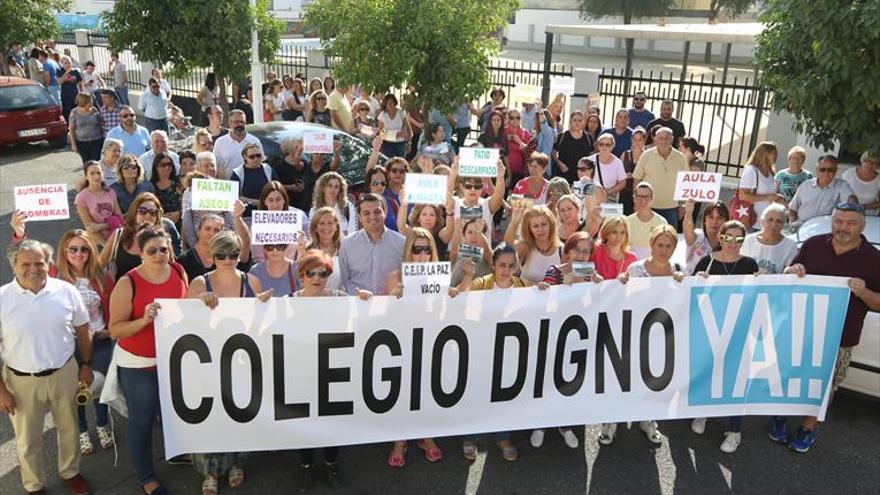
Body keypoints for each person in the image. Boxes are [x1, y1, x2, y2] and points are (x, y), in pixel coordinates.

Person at [774, 202, 880, 453]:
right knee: (790, 376)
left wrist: (863, 292)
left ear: (862, 225)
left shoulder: (874, 260)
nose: (843, 227)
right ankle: (779, 416)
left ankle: (807, 428)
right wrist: (793, 270)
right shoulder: (813, 245)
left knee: (826, 385)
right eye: (838, 221)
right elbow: (788, 275)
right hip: (802, 329)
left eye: (851, 223)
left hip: (841, 337)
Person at [0, 240, 94, 495]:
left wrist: (86, 364)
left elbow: (83, 330)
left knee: (69, 428)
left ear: (49, 264)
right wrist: (1, 391)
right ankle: (33, 485)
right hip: (21, 381)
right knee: (28, 440)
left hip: (64, 373)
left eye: (39, 263)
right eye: (26, 264)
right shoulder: (2, 298)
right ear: (14, 266)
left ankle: (70, 472)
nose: (34, 269)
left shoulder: (66, 291)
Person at [187, 231, 270, 495]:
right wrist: (198, 303)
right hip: (208, 363)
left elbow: (262, 324)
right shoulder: (200, 283)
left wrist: (265, 306)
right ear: (211, 256)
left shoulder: (252, 281)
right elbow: (183, 325)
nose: (227, 259)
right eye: (221, 254)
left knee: (239, 415)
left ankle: (236, 461)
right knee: (210, 418)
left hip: (242, 362)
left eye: (233, 254)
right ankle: (209, 471)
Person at [107, 226, 187, 495]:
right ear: (140, 253)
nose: (159, 254)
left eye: (163, 249)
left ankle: (175, 452)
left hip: (172, 361)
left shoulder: (177, 271)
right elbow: (116, 329)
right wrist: (143, 319)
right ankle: (146, 477)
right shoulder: (127, 282)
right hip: (139, 365)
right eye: (151, 250)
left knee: (174, 413)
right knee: (141, 422)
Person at [458, 244, 548, 462]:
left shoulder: (525, 286)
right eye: (501, 265)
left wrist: (546, 291)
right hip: (482, 349)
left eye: (511, 265)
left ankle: (503, 437)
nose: (506, 270)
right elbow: (460, 300)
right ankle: (472, 436)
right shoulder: (481, 284)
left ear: (517, 266)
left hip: (510, 352)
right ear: (493, 265)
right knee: (478, 393)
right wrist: (467, 277)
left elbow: (543, 307)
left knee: (505, 395)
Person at [292, 250, 370, 490]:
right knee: (303, 422)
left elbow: (363, 320)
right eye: (310, 273)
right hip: (302, 371)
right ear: (301, 275)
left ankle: (331, 463)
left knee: (330, 422)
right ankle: (306, 467)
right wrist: (261, 305)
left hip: (332, 371)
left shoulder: (340, 297)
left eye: (322, 273)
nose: (316, 278)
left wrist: (367, 300)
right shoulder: (288, 300)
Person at [601, 225, 685, 447]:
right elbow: (623, 297)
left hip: (661, 336)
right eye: (660, 245)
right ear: (651, 245)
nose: (664, 250)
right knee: (623, 377)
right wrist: (620, 283)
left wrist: (687, 281)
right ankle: (611, 420)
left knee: (653, 379)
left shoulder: (679, 270)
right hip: (633, 332)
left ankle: (647, 418)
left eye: (669, 246)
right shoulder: (636, 268)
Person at [530, 231, 603, 449]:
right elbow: (546, 306)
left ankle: (566, 425)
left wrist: (597, 286)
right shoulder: (554, 271)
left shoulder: (592, 275)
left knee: (570, 381)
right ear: (567, 251)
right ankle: (541, 423)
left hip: (579, 335)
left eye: (585, 251)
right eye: (576, 250)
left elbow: (599, 305)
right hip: (554, 336)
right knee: (547, 380)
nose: (580, 255)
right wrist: (557, 288)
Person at [691, 220, 759, 453]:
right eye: (728, 237)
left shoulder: (750, 264)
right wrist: (695, 280)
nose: (733, 243)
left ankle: (735, 430)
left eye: (739, 239)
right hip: (710, 329)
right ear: (720, 237)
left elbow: (757, 297)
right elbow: (690, 295)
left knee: (735, 381)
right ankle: (703, 414)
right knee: (708, 374)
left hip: (738, 332)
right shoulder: (706, 262)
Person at [384, 228, 446, 467]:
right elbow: (384, 316)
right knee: (402, 392)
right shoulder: (396, 275)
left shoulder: (440, 275)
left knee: (426, 391)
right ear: (409, 250)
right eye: (417, 249)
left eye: (426, 249)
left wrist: (451, 295)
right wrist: (394, 295)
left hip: (430, 340)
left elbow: (444, 312)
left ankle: (426, 435)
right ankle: (400, 440)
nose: (422, 254)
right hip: (402, 342)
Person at [51, 231, 116, 455]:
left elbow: (112, 307)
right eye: (73, 249)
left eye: (84, 249)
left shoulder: (102, 277)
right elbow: (23, 261)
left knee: (97, 386)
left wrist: (111, 329)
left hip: (98, 340)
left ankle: (101, 424)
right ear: (64, 252)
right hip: (68, 344)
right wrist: (19, 234)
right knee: (75, 390)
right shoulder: (54, 277)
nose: (79, 254)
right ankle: (82, 431)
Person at [338, 193, 406, 295]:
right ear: (359, 217)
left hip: (390, 306)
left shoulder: (402, 243)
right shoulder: (347, 244)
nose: (372, 216)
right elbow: (342, 281)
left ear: (385, 213)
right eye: (366, 213)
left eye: (377, 212)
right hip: (357, 305)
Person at [632, 127, 688, 227]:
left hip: (672, 208)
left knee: (668, 240)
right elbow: (637, 179)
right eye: (661, 138)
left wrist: (682, 204)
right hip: (648, 206)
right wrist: (637, 202)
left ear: (672, 139)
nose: (664, 141)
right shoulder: (646, 155)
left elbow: (685, 183)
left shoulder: (681, 157)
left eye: (667, 138)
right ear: (655, 139)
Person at [177, 209, 250, 282]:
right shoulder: (184, 259)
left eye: (216, 230)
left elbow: (245, 248)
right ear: (198, 231)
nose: (212, 233)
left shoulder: (229, 256)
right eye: (207, 229)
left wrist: (237, 218)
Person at [504, 204, 563, 284]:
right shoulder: (525, 247)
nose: (540, 230)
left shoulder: (562, 250)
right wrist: (514, 223)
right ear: (529, 229)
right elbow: (506, 252)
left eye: (544, 224)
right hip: (526, 295)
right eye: (535, 226)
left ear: (551, 225)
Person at [250, 181, 307, 263]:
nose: (275, 205)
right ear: (265, 202)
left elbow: (307, 252)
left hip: (293, 269)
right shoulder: (258, 225)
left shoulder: (300, 217)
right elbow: (258, 258)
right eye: (271, 200)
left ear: (284, 200)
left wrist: (302, 245)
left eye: (278, 199)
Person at [789, 155, 858, 223]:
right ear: (817, 170)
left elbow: (852, 200)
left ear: (836, 171)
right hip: (801, 227)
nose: (826, 172)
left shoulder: (842, 186)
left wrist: (853, 207)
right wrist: (793, 222)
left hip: (824, 230)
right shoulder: (805, 186)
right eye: (822, 169)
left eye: (830, 170)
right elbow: (792, 209)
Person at [447, 158, 506, 236]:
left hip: (483, 247)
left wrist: (500, 177)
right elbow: (447, 195)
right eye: (468, 186)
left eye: (477, 186)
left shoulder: (487, 204)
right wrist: (453, 175)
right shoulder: (455, 203)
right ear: (461, 187)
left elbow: (499, 196)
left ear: (482, 188)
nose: (473, 189)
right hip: (457, 248)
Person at [734, 141, 783, 230]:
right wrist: (766, 197)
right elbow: (742, 195)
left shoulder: (770, 172)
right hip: (752, 221)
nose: (777, 157)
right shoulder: (751, 171)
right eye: (774, 154)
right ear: (764, 154)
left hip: (766, 223)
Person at [738, 203, 797, 274]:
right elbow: (741, 267)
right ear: (762, 221)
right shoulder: (749, 240)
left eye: (779, 221)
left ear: (783, 224)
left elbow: (788, 272)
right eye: (770, 220)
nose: (774, 224)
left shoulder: (790, 245)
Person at [74, 160, 123, 245]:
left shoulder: (110, 192)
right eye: (92, 173)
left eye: (99, 173)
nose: (96, 176)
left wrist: (100, 226)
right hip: (98, 242)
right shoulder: (81, 198)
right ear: (86, 176)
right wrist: (105, 246)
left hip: (116, 237)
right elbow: (90, 228)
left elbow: (119, 217)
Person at [213, 109, 264, 180]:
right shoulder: (220, 142)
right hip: (229, 186)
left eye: (242, 122)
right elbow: (215, 166)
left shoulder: (254, 141)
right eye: (236, 122)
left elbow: (261, 163)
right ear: (230, 123)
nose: (240, 124)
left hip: (250, 184)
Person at [230, 143, 278, 217]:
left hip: (268, 213)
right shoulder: (237, 173)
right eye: (252, 157)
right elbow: (234, 197)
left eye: (258, 156)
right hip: (247, 215)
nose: (256, 159)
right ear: (245, 157)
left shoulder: (268, 169)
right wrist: (255, 202)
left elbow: (278, 189)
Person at [683, 200, 729, 275]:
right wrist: (689, 212)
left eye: (719, 218)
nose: (714, 221)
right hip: (691, 283)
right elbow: (687, 227)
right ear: (704, 220)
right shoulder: (697, 237)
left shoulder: (731, 242)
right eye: (711, 217)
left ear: (726, 221)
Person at [624, 182, 668, 259]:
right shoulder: (627, 221)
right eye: (639, 197)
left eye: (646, 197)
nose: (643, 201)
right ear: (634, 198)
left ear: (652, 198)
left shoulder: (661, 222)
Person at [305, 206, 344, 291]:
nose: (326, 227)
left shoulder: (345, 250)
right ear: (315, 227)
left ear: (336, 226)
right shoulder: (307, 250)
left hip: (340, 301)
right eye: (321, 223)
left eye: (330, 223)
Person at [311, 171, 357, 236]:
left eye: (336, 187)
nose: (333, 189)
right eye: (329, 186)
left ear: (340, 190)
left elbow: (353, 233)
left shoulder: (348, 207)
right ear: (323, 188)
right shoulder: (315, 210)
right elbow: (312, 234)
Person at [553, 110, 592, 183]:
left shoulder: (588, 137)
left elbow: (591, 155)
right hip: (564, 175)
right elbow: (553, 152)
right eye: (575, 120)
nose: (577, 123)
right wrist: (559, 163)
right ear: (570, 122)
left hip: (582, 176)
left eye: (580, 120)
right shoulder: (562, 136)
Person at [590, 134, 627, 202]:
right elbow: (584, 179)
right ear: (598, 145)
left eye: (607, 145)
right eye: (601, 144)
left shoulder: (617, 162)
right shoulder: (590, 160)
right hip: (592, 198)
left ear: (613, 146)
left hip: (609, 199)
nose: (604, 147)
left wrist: (608, 192)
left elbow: (622, 183)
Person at [841, 149, 880, 216]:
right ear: (862, 161)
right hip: (847, 212)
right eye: (868, 161)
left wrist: (862, 207)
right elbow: (839, 194)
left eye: (875, 163)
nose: (870, 165)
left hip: (868, 216)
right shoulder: (849, 174)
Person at [68, 92, 104, 163]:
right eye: (89, 101)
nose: (91, 103)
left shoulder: (94, 110)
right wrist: (73, 144)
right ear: (83, 102)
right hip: (82, 142)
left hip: (96, 140)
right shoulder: (74, 112)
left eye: (91, 101)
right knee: (86, 163)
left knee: (96, 162)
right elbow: (71, 129)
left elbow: (101, 123)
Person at [149, 152, 182, 225]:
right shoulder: (150, 187)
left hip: (180, 223)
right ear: (156, 167)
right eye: (163, 165)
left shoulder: (180, 183)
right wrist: (161, 216)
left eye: (169, 164)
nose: (167, 167)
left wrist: (179, 213)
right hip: (158, 224)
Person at [620, 127, 646, 215]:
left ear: (644, 141)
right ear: (631, 140)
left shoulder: (646, 156)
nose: (637, 142)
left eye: (640, 140)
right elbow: (618, 173)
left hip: (641, 193)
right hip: (625, 192)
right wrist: (625, 175)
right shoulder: (625, 154)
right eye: (635, 139)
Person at [377, 94, 410, 158]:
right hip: (387, 143)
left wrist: (409, 143)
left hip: (400, 142)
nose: (389, 105)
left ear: (395, 102)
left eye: (391, 102)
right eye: (387, 103)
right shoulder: (382, 115)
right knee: (387, 162)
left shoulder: (401, 113)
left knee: (401, 162)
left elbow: (408, 128)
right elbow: (379, 131)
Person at [504, 108, 532, 184]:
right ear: (508, 119)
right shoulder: (503, 131)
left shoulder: (525, 133)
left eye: (518, 118)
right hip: (504, 169)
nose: (515, 120)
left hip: (519, 171)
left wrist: (519, 142)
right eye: (512, 118)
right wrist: (504, 139)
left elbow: (529, 152)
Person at [58, 56, 83, 121]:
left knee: (76, 111)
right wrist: (66, 73)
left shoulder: (75, 72)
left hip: (75, 95)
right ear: (62, 64)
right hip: (65, 96)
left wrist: (82, 93)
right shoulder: (60, 71)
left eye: (69, 63)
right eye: (65, 63)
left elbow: (80, 83)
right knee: (67, 112)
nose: (67, 65)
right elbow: (60, 82)